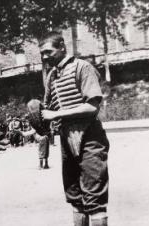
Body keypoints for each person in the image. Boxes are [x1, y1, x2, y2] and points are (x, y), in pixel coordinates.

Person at [39, 32, 110, 226]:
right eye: (42, 54)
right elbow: (48, 110)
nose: (45, 57)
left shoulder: (82, 67)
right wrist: (38, 117)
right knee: (75, 198)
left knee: (94, 200)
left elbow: (92, 107)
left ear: (62, 47)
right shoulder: (52, 76)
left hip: (89, 136)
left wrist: (56, 115)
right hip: (66, 138)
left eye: (48, 51)